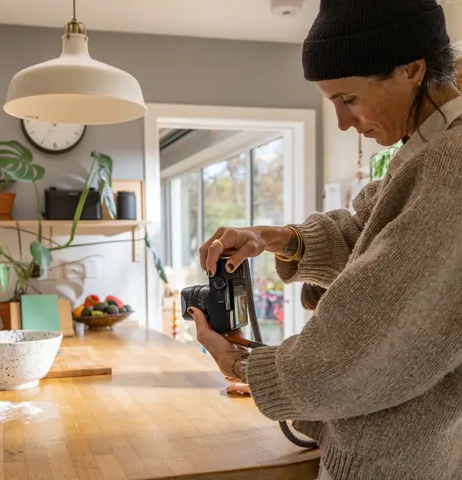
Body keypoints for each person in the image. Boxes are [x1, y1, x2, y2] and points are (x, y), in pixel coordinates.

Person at [186, 1, 462, 479]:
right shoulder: (429, 147)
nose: (341, 122)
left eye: (348, 99)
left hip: (402, 466)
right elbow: (369, 234)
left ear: (413, 69)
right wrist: (274, 237)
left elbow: (359, 347)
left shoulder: (450, 166)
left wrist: (240, 364)